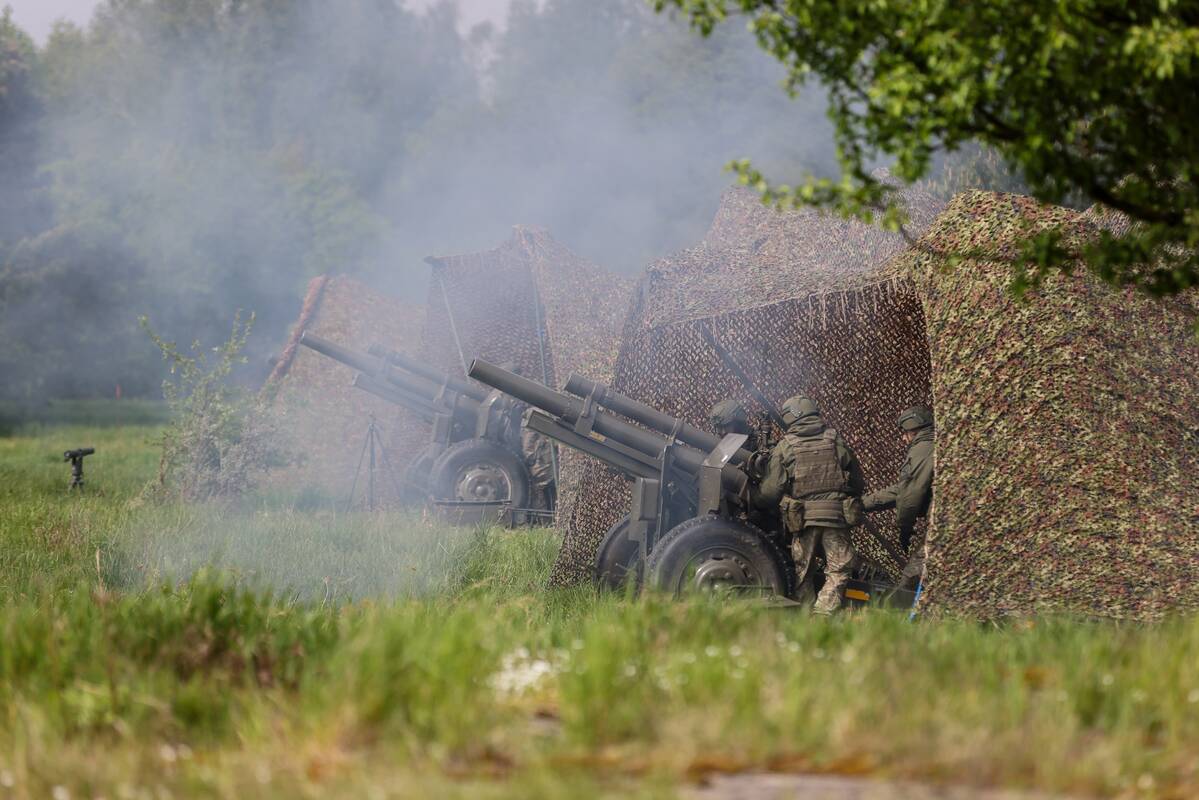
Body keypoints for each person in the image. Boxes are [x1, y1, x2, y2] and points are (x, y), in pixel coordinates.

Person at [753, 395, 865, 614]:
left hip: (803, 519)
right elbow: (856, 482)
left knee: (803, 570)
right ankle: (824, 612)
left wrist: (757, 499)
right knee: (839, 568)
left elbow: (771, 492)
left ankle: (803, 612)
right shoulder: (835, 439)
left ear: (790, 418)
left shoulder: (786, 446)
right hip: (835, 516)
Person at [862, 406, 935, 590]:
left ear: (914, 428)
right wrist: (865, 503)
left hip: (942, 526)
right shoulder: (932, 446)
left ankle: (897, 608)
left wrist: (904, 528)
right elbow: (903, 490)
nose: (903, 439)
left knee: (911, 580)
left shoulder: (923, 448)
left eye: (905, 433)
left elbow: (910, 495)